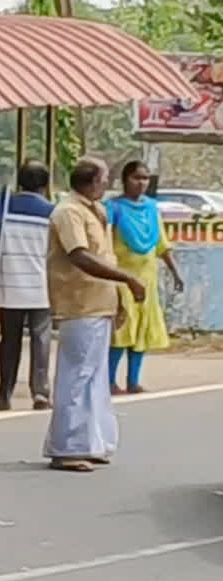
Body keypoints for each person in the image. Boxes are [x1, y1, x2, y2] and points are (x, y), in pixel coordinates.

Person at [44, 157, 146, 473]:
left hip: (100, 303)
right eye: (104, 179)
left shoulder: (96, 211)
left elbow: (104, 255)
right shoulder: (69, 212)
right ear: (92, 181)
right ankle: (66, 446)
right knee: (76, 376)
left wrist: (119, 299)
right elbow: (80, 256)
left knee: (95, 378)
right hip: (79, 303)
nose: (107, 185)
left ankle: (92, 442)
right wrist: (126, 278)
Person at [104, 160, 185, 395]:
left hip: (147, 278)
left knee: (142, 332)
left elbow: (161, 244)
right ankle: (109, 381)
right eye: (136, 178)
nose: (141, 183)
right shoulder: (114, 207)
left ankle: (133, 381)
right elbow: (106, 241)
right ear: (125, 180)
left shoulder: (152, 208)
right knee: (121, 331)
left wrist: (175, 271)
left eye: (145, 178)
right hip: (122, 278)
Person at [0, 159, 55, 412]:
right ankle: (41, 392)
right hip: (41, 286)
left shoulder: (3, 207)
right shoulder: (52, 212)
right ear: (45, 185)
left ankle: (5, 392)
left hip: (9, 285)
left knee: (10, 341)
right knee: (41, 339)